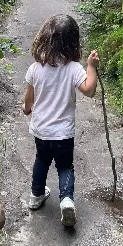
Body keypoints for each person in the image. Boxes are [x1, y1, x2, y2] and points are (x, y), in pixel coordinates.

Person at [23, 15, 99, 227]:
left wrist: (27, 109)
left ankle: (36, 195)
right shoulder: (74, 68)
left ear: (44, 38)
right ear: (73, 43)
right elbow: (89, 90)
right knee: (65, 166)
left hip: (41, 131)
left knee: (42, 160)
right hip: (63, 133)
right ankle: (66, 200)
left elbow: (29, 99)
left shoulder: (35, 69)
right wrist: (91, 66)